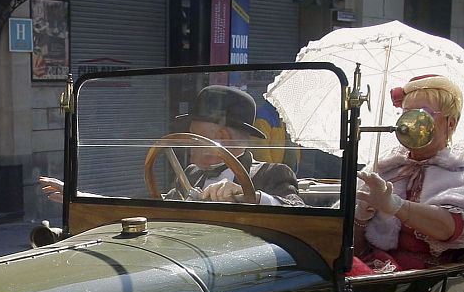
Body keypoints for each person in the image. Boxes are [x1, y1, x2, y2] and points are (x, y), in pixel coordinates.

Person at [39, 84, 302, 206]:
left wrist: (249, 195)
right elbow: (154, 209)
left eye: (197, 137)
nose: (189, 145)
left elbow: (297, 209)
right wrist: (80, 198)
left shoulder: (271, 173)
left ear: (223, 136)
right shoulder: (190, 175)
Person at [354, 74, 464, 272]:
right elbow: (352, 248)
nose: (411, 122)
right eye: (407, 112)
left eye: (424, 113)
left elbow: (450, 228)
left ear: (451, 123)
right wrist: (360, 217)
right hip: (378, 269)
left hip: (425, 280)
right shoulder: (384, 168)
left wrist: (395, 205)